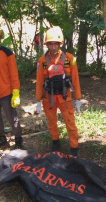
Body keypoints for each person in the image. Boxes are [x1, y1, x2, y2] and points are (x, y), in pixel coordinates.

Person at [35, 26, 82, 156]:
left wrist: (78, 98)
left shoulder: (69, 59)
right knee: (51, 121)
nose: (53, 47)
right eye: (50, 44)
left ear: (60, 43)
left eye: (56, 44)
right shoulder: (42, 61)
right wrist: (38, 100)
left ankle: (74, 147)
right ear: (47, 44)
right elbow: (39, 81)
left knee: (70, 122)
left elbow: (75, 79)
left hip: (64, 97)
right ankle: (55, 141)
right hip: (48, 97)